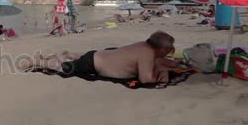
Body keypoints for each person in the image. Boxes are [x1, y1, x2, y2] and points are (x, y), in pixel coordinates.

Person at [21, 31, 179, 84]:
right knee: (63, 68)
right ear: (160, 48)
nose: (170, 51)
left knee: (76, 58)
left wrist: (170, 63)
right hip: (94, 64)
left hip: (101, 55)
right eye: (169, 49)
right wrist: (163, 74)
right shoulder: (147, 54)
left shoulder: (143, 45)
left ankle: (65, 55)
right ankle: (35, 62)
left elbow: (160, 61)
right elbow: (146, 80)